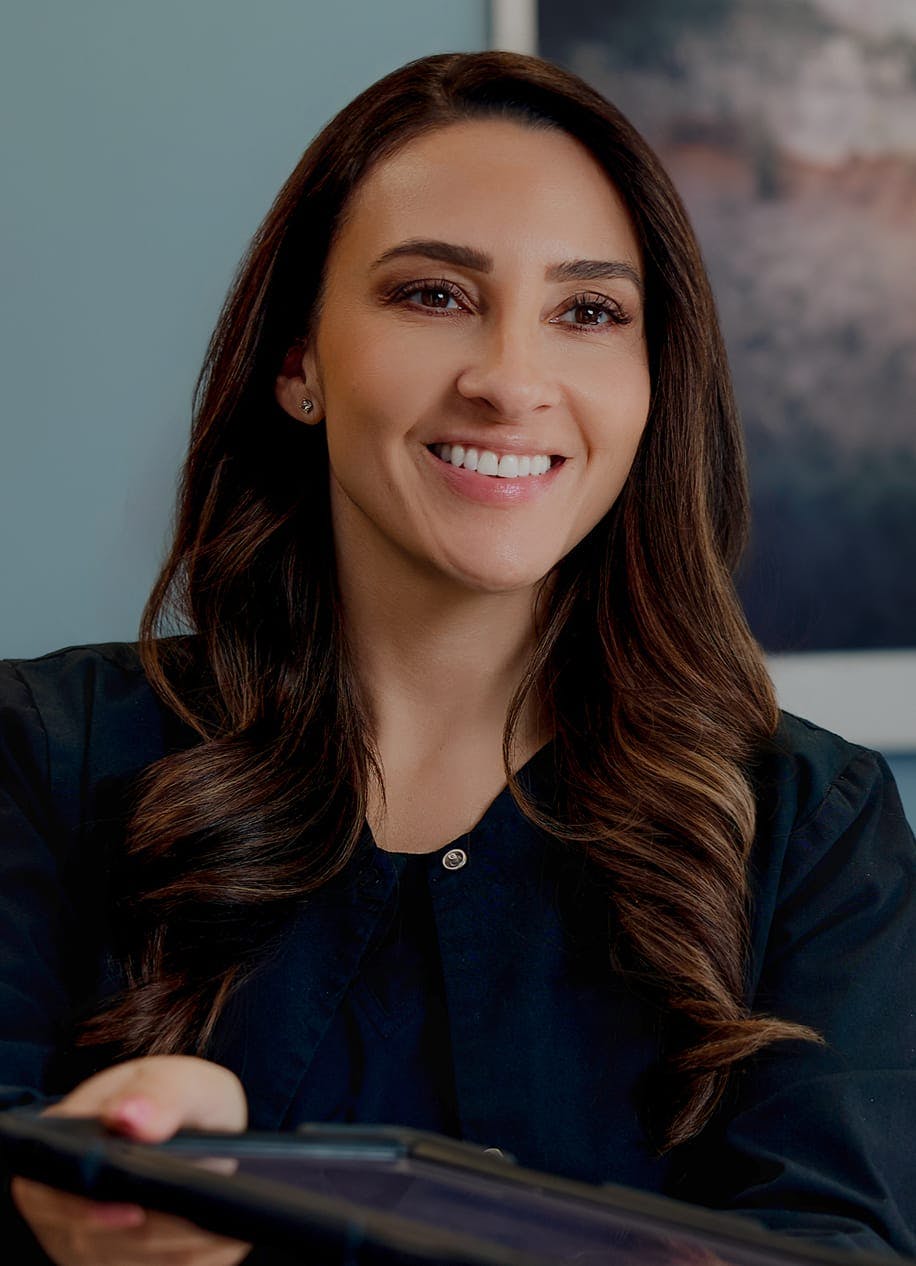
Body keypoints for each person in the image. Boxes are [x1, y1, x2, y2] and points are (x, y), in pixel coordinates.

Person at [1, 50, 914, 1266]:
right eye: (433, 295)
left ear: (652, 386)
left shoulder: (813, 830)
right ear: (300, 364)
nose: (510, 381)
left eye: (587, 313)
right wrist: (67, 1206)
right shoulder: (42, 757)